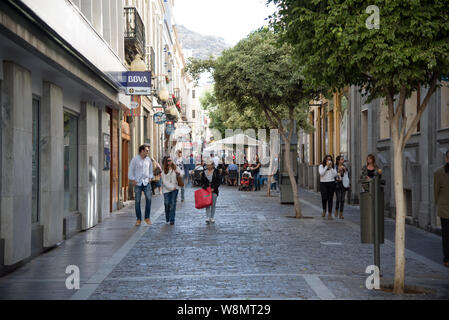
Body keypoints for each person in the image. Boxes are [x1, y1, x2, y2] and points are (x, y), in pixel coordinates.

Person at [128, 145, 154, 226]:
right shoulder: (135, 159)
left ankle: (147, 218)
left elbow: (151, 171)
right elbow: (130, 170)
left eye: (148, 150)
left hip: (146, 182)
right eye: (146, 150)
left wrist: (150, 177)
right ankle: (138, 219)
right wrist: (133, 179)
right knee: (137, 201)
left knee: (149, 199)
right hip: (138, 183)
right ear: (141, 151)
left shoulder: (148, 160)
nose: (148, 152)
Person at [433, 151, 449, 268]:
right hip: (445, 209)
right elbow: (436, 191)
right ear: (446, 159)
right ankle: (447, 258)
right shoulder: (439, 172)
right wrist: (437, 204)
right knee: (446, 235)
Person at [201, 160, 221, 224]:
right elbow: (202, 182)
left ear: (212, 165)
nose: (208, 166)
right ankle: (207, 217)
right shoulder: (204, 172)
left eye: (210, 165)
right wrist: (205, 187)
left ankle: (212, 217)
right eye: (207, 165)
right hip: (206, 190)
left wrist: (213, 188)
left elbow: (218, 181)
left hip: (214, 190)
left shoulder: (216, 172)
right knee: (207, 203)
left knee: (213, 204)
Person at [161, 156, 180, 225]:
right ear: (166, 162)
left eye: (171, 160)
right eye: (168, 160)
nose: (170, 162)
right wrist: (172, 187)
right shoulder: (163, 171)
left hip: (175, 189)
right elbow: (164, 182)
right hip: (166, 190)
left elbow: (181, 174)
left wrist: (178, 173)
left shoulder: (176, 168)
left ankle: (172, 219)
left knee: (173, 204)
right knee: (167, 203)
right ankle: (167, 216)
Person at [319, 155, 338, 220]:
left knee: (330, 199)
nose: (329, 161)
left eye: (330, 159)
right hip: (323, 183)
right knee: (324, 198)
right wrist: (326, 166)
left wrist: (331, 168)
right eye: (327, 159)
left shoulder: (333, 166)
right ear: (325, 160)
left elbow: (335, 175)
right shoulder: (321, 166)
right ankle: (324, 209)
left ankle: (329, 213)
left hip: (331, 183)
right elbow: (321, 173)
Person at [334, 155, 349, 219]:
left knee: (342, 199)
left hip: (343, 184)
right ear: (338, 160)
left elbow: (347, 175)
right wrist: (338, 171)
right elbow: (334, 175)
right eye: (341, 159)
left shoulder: (345, 166)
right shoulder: (335, 167)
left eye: (343, 159)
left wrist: (345, 170)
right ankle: (336, 209)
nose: (343, 160)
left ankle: (341, 213)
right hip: (337, 184)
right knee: (338, 198)